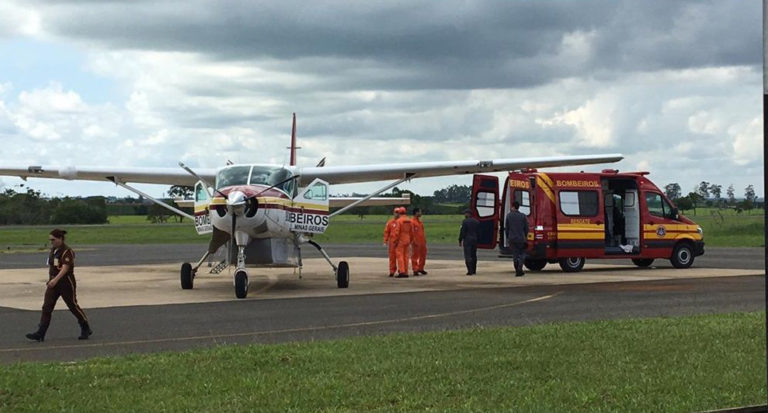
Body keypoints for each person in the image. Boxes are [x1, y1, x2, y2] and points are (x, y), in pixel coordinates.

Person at [26, 229, 92, 342]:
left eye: (53, 239)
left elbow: (65, 268)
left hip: (65, 282)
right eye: (50, 240)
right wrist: (51, 280)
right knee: (47, 307)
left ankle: (85, 326)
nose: (51, 242)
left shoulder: (67, 251)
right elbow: (52, 266)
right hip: (53, 281)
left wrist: (55, 280)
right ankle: (40, 332)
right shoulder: (53, 250)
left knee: (72, 305)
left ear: (60, 239)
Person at [504, 201, 529, 277]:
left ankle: (516, 267)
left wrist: (508, 237)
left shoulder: (509, 216)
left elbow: (507, 228)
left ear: (513, 207)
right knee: (522, 254)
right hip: (521, 238)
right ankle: (520, 267)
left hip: (512, 238)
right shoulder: (523, 216)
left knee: (515, 254)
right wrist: (525, 236)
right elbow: (526, 228)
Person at [392, 207, 413, 277]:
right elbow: (411, 232)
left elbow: (397, 232)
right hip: (407, 240)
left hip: (400, 240)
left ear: (399, 213)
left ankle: (402, 271)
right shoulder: (409, 220)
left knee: (400, 256)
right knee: (406, 256)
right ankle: (406, 271)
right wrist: (411, 240)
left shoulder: (399, 221)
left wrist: (395, 241)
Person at [458, 209, 479, 275]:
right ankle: (474, 270)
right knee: (474, 255)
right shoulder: (476, 221)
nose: (464, 215)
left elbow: (462, 232)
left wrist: (460, 240)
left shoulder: (464, 222)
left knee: (468, 255)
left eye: (465, 213)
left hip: (467, 240)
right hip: (475, 239)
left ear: (469, 214)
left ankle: (470, 271)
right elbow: (479, 232)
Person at [383, 207, 401, 277]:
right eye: (396, 212)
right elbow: (386, 232)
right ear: (393, 213)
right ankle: (392, 271)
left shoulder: (401, 222)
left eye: (398, 213)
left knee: (400, 257)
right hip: (392, 243)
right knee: (392, 258)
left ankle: (401, 270)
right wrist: (385, 241)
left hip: (399, 242)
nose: (397, 214)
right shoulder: (390, 222)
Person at [410, 207, 428, 275]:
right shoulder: (412, 222)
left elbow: (422, 232)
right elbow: (411, 232)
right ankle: (415, 269)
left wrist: (424, 240)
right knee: (415, 256)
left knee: (423, 255)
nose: (421, 213)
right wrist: (413, 241)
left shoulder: (420, 222)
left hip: (422, 241)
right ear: (416, 213)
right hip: (416, 241)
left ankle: (421, 268)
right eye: (420, 212)